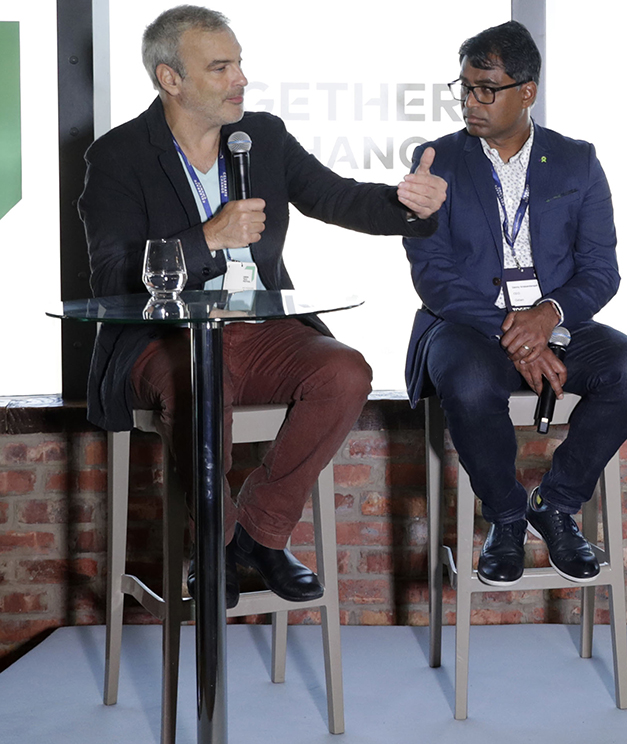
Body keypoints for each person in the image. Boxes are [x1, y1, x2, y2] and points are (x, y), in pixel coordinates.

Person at [78, 5, 447, 607]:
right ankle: (215, 546)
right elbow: (112, 277)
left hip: (261, 329)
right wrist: (207, 238)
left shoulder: (263, 137)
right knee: (201, 380)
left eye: (240, 63)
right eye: (221, 67)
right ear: (171, 79)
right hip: (167, 340)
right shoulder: (119, 157)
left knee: (344, 370)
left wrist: (410, 205)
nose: (241, 79)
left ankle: (259, 531)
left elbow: (340, 198)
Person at [403, 21, 627, 587]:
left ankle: (557, 502)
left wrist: (547, 317)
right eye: (465, 87)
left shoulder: (577, 161)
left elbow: (600, 270)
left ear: (527, 91)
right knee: (466, 382)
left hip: (558, 322)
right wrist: (511, 331)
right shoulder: (435, 161)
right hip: (468, 323)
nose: (472, 101)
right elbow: (434, 277)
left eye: (487, 88)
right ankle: (508, 516)